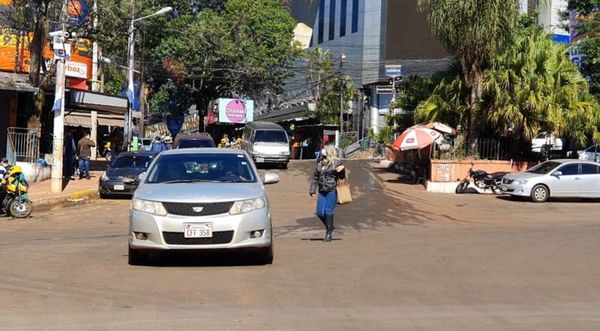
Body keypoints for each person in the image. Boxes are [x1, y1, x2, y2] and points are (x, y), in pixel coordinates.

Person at [309, 145, 345, 242]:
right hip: (322, 190)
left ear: (329, 151)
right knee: (320, 212)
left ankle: (328, 234)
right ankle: (330, 227)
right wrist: (312, 190)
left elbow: (341, 177)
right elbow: (315, 177)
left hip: (331, 190)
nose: (323, 151)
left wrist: (342, 171)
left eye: (325, 149)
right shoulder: (320, 162)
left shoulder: (337, 162)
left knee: (328, 211)